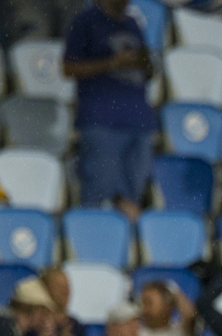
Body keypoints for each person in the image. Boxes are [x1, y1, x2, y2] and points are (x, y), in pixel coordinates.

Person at [62, 0, 156, 219]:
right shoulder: (85, 21)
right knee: (100, 192)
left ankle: (123, 248)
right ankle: (93, 245)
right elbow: (68, 67)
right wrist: (113, 63)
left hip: (138, 120)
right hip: (101, 120)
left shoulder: (133, 23)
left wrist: (145, 62)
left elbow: (148, 71)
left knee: (132, 196)